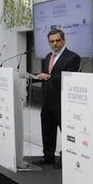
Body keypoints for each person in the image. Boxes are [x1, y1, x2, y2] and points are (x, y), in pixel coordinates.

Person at [33, 29, 81, 166]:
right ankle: (48, 157)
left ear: (64, 40)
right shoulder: (48, 56)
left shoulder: (73, 57)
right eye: (51, 41)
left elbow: (68, 77)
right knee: (47, 130)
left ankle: (66, 158)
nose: (54, 44)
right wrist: (35, 77)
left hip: (62, 102)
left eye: (57, 40)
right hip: (47, 100)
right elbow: (46, 76)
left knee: (66, 133)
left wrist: (48, 76)